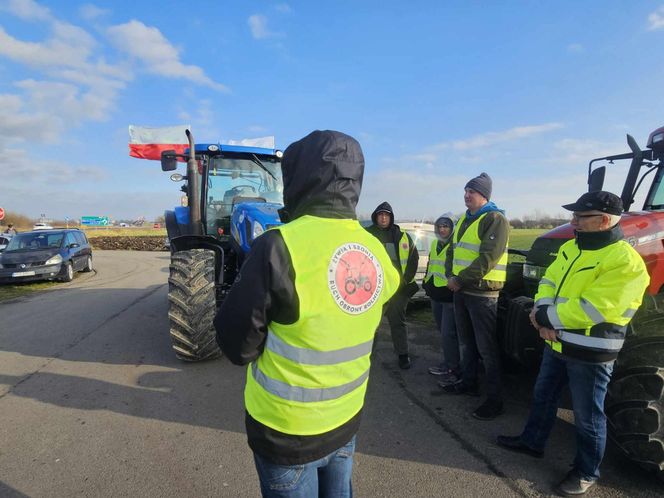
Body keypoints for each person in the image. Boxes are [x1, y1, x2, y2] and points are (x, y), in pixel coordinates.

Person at [214, 130, 400, 498]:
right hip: (346, 419)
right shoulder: (374, 249)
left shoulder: (279, 245)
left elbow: (237, 346)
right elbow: (377, 302)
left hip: (286, 433)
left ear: (298, 178)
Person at [496, 191, 649, 496]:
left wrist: (547, 319)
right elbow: (548, 283)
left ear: (604, 221)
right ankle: (532, 442)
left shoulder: (626, 262)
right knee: (543, 396)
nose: (573, 222)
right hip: (556, 341)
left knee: (588, 416)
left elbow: (596, 307)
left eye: (581, 217)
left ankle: (586, 472)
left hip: (591, 352)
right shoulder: (571, 248)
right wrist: (540, 316)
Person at [443, 172, 509, 421]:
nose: (466, 195)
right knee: (466, 343)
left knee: (487, 349)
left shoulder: (495, 219)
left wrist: (459, 279)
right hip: (461, 290)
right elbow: (452, 250)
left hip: (482, 293)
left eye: (472, 191)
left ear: (484, 195)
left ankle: (495, 400)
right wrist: (451, 275)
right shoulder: (463, 220)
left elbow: (488, 258)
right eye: (465, 190)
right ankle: (468, 383)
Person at [366, 202, 419, 369]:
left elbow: (413, 259)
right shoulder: (367, 235)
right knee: (370, 324)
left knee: (398, 323)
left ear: (391, 217)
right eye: (380, 214)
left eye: (386, 215)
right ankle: (365, 356)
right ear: (375, 216)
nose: (383, 217)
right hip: (373, 289)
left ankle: (403, 355)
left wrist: (404, 281)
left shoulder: (402, 236)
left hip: (398, 290)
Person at [422, 213, 460, 385]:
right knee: (443, 333)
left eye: (446, 226)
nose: (442, 229)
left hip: (449, 296)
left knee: (448, 335)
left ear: (452, 229)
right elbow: (432, 265)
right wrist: (425, 283)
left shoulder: (456, 246)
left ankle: (454, 368)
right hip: (435, 294)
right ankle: (448, 363)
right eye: (440, 226)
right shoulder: (435, 243)